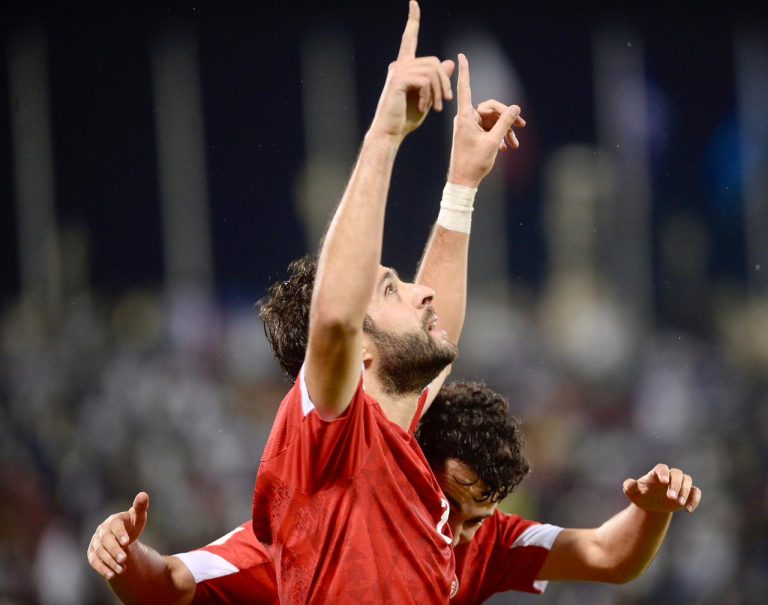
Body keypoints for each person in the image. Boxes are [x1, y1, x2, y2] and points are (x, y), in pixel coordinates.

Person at [247, 0, 524, 601]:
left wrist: (462, 186)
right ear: (359, 353)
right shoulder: (328, 433)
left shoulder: (398, 440)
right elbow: (336, 317)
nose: (423, 291)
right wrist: (386, 133)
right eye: (392, 289)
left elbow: (440, 331)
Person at [87, 380, 702, 604]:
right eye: (451, 508)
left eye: (477, 518)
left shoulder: (484, 544)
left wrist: (650, 512)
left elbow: (609, 556)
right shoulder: (303, 543)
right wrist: (121, 554)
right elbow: (166, 585)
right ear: (408, 470)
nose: (457, 535)